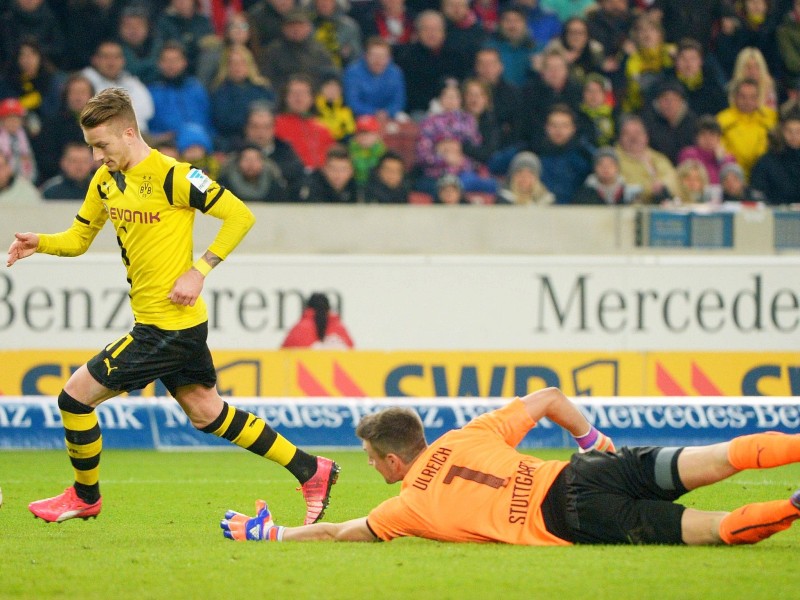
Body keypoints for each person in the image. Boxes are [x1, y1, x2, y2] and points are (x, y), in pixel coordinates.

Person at [6, 88, 338, 527]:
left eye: (102, 145)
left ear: (129, 132)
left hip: (166, 329)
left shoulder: (176, 176)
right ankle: (311, 469)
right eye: (91, 147)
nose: (97, 155)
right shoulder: (105, 181)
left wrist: (200, 270)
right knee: (207, 411)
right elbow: (79, 239)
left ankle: (85, 496)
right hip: (168, 324)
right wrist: (41, 243)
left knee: (74, 397)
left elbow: (240, 216)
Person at [220, 386, 800, 547]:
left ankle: (794, 507)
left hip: (571, 521)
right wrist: (591, 436)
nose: (372, 467)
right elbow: (549, 397)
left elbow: (336, 531)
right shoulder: (468, 432)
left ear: (394, 460)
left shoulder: (408, 508)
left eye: (372, 460)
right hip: (581, 471)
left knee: (711, 529)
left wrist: (273, 533)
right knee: (719, 457)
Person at [81, 40, 155, 134]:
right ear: (95, 59)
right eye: (106, 57)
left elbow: (147, 111)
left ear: (123, 61)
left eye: (116, 57)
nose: (111, 62)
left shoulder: (132, 82)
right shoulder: (85, 80)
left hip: (137, 135)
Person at [716, 77, 778, 179]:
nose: (747, 101)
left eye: (752, 97)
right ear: (735, 97)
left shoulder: (770, 119)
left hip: (765, 175)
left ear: (759, 98)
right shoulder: (722, 120)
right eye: (743, 97)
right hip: (731, 176)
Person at [342, 35, 407, 119]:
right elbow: (352, 102)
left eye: (383, 56)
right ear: (365, 56)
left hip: (389, 116)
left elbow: (399, 101)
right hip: (359, 116)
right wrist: (374, 113)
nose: (378, 60)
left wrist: (387, 112)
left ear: (389, 58)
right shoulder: (352, 72)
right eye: (374, 55)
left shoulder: (396, 73)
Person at [749, 108, 800, 204]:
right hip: (776, 214)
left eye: (798, 131)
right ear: (781, 132)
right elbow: (758, 192)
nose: (794, 136)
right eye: (789, 131)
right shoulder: (766, 161)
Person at [281, 292, 354, 348]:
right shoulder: (339, 330)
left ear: (308, 308)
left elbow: (281, 356)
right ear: (329, 308)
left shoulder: (299, 329)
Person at [219, 142, 288, 202]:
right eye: (246, 159)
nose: (251, 164)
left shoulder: (275, 188)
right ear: (238, 162)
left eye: (255, 160)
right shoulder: (223, 187)